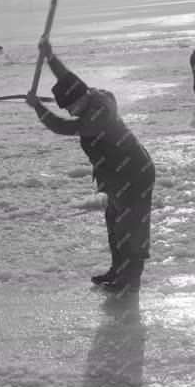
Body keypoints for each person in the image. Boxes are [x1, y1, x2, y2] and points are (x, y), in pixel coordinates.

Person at [26, 36, 155, 294]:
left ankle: (130, 280)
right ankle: (117, 270)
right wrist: (50, 56)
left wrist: (38, 108)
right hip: (117, 178)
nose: (72, 112)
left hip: (134, 175)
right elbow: (68, 79)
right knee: (115, 226)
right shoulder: (91, 95)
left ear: (83, 99)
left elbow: (62, 126)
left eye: (72, 107)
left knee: (131, 228)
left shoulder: (97, 117)